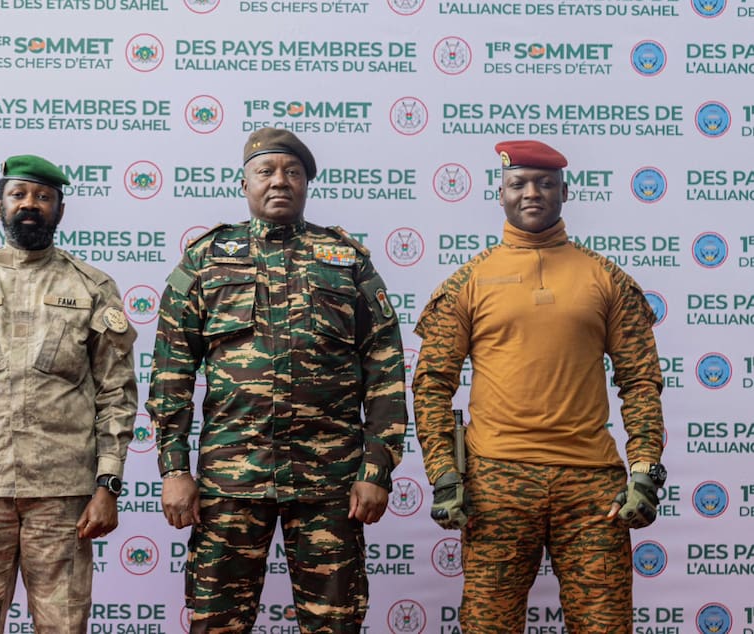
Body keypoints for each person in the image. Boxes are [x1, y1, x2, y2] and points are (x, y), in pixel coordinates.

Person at [147, 127, 408, 633]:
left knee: (335, 624)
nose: (279, 181)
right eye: (265, 171)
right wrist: (174, 469)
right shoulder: (206, 259)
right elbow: (171, 370)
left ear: (307, 184)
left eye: (292, 171)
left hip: (330, 482)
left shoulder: (346, 261)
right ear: (244, 184)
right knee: (216, 624)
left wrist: (377, 467)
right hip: (230, 481)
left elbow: (385, 369)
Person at [412, 140, 666, 633]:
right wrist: (444, 474)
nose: (532, 193)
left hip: (592, 487)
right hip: (495, 484)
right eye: (518, 184)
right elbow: (431, 385)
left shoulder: (607, 279)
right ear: (501, 193)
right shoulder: (470, 281)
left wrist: (645, 470)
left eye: (545, 183)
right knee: (489, 628)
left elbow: (640, 381)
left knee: (606, 627)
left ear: (564, 192)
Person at [0, 154, 138, 633]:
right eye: (19, 195)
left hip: (63, 496)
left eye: (42, 197)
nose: (30, 205)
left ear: (60, 208)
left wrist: (107, 485)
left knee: (63, 626)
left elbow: (116, 395)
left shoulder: (92, 287)